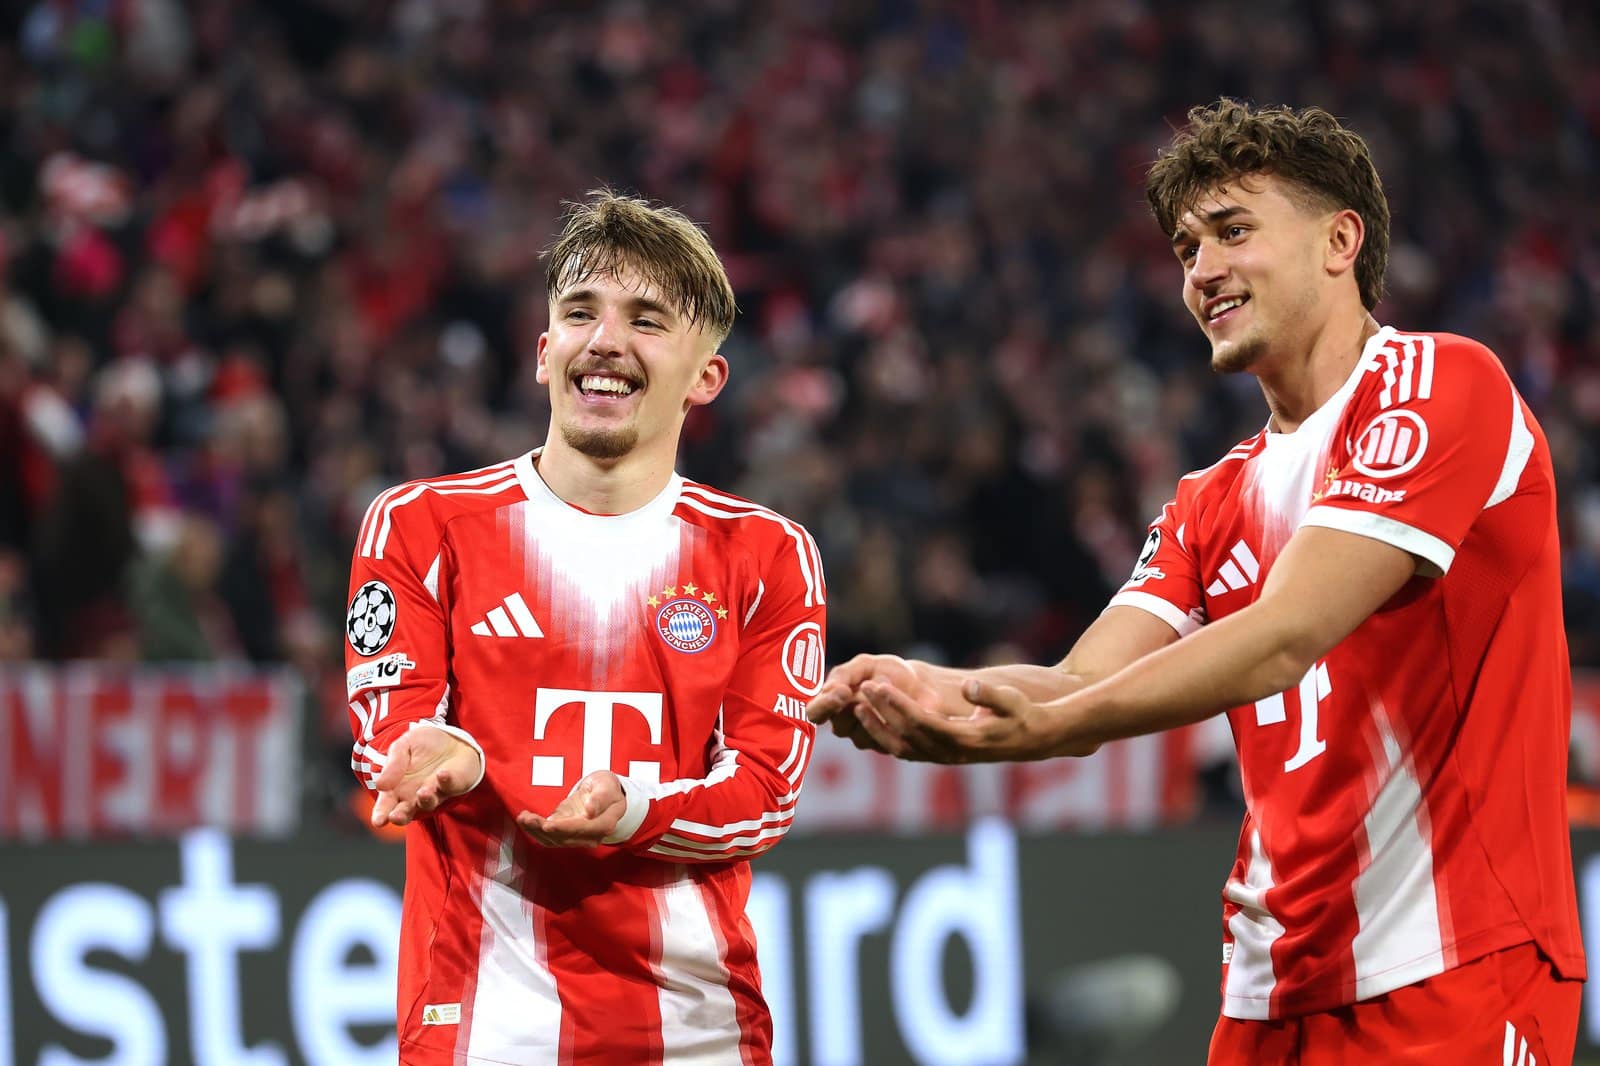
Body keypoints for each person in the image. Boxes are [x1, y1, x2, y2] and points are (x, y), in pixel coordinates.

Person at [807, 100, 1584, 1065]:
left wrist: (1049, 725)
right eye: (1185, 248)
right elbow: (1079, 682)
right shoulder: (1210, 498)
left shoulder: (1440, 385)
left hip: (1453, 965)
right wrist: (940, 690)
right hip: (1270, 992)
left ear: (1340, 241)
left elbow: (1285, 634)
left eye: (1233, 231)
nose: (1201, 270)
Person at [344, 191, 826, 1065]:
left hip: (698, 1033)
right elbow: (392, 736)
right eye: (579, 313)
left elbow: (762, 796)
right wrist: (444, 756)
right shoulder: (420, 526)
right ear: (544, 354)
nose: (605, 340)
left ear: (707, 378)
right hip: (477, 1029)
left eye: (646, 320)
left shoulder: (767, 556)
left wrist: (633, 809)